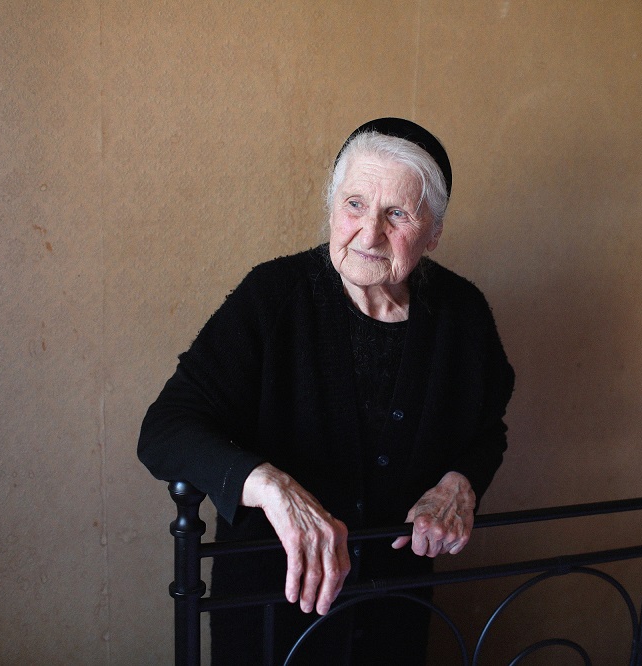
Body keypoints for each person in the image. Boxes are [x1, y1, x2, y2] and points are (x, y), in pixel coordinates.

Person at [138, 118, 515, 665]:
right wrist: (270, 486)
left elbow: (487, 431)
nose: (369, 234)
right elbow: (165, 429)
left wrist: (462, 481)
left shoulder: (462, 314)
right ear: (331, 206)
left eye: (397, 214)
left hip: (397, 611)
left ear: (433, 233)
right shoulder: (272, 297)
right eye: (355, 204)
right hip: (272, 612)